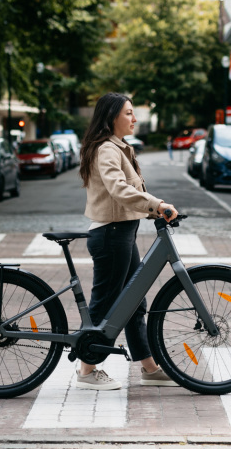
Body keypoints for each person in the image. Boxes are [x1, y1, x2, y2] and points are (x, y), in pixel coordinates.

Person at [77, 92, 179, 390]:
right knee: (105, 302)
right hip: (111, 235)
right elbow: (119, 189)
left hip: (121, 233)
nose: (134, 119)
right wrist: (157, 205)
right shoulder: (107, 150)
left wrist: (152, 209)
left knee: (134, 303)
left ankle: (149, 368)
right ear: (112, 117)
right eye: (129, 113)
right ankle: (86, 370)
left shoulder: (119, 148)